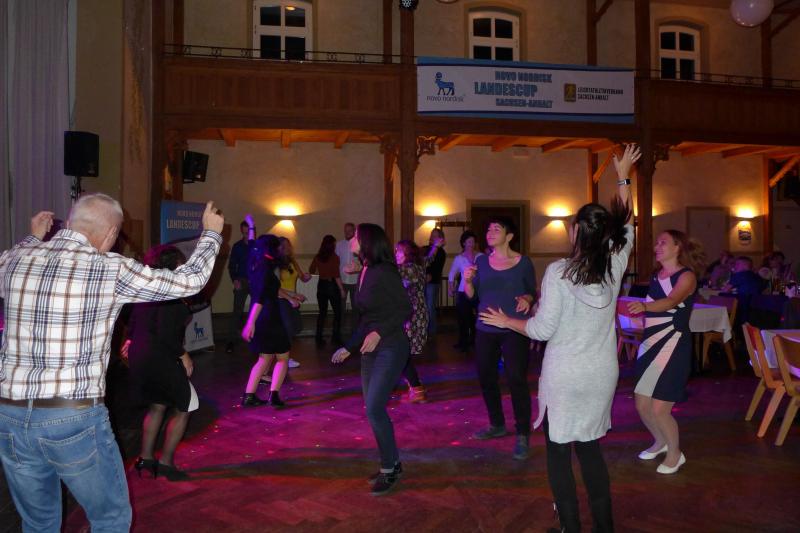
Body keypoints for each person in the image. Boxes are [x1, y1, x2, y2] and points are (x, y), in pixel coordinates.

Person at [0, 194, 224, 532]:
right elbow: (190, 281)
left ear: (70, 223)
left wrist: (33, 237)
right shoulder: (108, 268)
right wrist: (211, 234)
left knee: (37, 522)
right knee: (110, 519)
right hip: (71, 417)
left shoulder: (17, 258)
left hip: (10, 415)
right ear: (111, 234)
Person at [479, 144, 639, 533]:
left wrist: (507, 321)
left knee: (558, 453)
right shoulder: (615, 265)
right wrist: (623, 177)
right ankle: (604, 527)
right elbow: (628, 227)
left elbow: (541, 331)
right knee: (590, 449)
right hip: (601, 375)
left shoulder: (559, 272)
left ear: (575, 232)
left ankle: (570, 526)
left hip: (566, 377)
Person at [331, 223, 411, 496]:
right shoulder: (365, 270)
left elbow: (405, 309)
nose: (351, 239)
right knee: (372, 409)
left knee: (375, 408)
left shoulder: (385, 271)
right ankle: (392, 463)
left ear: (367, 241)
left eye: (355, 236)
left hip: (391, 345)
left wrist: (379, 333)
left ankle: (389, 469)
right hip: (370, 348)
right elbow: (366, 318)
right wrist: (349, 347)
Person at [627, 228, 705, 477]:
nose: (657, 247)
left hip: (673, 345)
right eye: (657, 243)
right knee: (642, 404)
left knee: (660, 408)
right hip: (650, 344)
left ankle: (675, 453)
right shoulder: (656, 275)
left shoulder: (687, 276)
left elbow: (671, 302)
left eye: (663, 243)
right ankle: (660, 441)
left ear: (677, 247)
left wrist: (644, 307)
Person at [463, 216, 537, 460]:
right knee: (486, 377)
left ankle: (522, 433)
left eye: (497, 229)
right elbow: (472, 296)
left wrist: (527, 299)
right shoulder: (481, 261)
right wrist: (467, 281)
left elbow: (531, 292)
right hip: (485, 327)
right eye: (489, 228)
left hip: (513, 328)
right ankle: (497, 424)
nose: (490, 232)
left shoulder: (523, 262)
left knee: (516, 379)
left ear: (509, 236)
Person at [123, 245, 197, 482]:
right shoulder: (170, 293)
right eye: (181, 264)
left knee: (157, 405)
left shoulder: (145, 288)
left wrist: (131, 340)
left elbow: (133, 320)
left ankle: (145, 459)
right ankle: (165, 462)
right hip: (161, 355)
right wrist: (183, 354)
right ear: (174, 265)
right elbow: (166, 333)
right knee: (187, 405)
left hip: (141, 353)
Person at [241, 234, 292, 407]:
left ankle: (249, 395)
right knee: (283, 358)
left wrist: (252, 321)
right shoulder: (266, 271)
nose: (280, 249)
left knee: (264, 358)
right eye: (278, 247)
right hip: (270, 317)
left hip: (262, 317)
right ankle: (274, 395)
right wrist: (250, 323)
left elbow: (267, 293)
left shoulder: (256, 266)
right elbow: (260, 298)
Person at [395, 240, 429, 403]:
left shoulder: (408, 268)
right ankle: (416, 387)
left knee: (401, 352)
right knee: (402, 352)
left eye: (398, 251)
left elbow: (389, 273)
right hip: (414, 314)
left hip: (411, 316)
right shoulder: (414, 268)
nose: (395, 254)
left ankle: (417, 388)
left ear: (407, 253)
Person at [278, 236, 309, 368]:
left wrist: (306, 277)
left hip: (292, 299)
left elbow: (302, 277)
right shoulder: (276, 264)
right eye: (284, 246)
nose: (287, 248)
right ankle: (285, 359)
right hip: (282, 299)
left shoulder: (292, 261)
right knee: (287, 329)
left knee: (295, 327)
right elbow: (275, 287)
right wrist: (292, 296)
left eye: (288, 245)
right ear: (279, 248)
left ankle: (282, 356)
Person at [448, 230, 482, 352]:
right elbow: (452, 273)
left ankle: (475, 341)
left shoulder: (480, 256)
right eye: (468, 242)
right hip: (463, 291)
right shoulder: (459, 258)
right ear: (463, 243)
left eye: (473, 241)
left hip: (478, 291)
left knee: (478, 317)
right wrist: (450, 287)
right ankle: (463, 342)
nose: (471, 244)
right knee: (463, 318)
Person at [310, 235, 345, 348]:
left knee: (322, 313)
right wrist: (341, 289)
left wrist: (322, 271)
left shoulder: (318, 257)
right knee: (337, 313)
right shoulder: (334, 257)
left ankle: (318, 337)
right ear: (332, 245)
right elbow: (336, 275)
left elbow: (311, 270)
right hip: (332, 286)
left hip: (321, 285)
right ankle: (336, 337)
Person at [226, 219, 255, 353]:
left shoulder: (256, 245)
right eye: (244, 233)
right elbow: (232, 265)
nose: (246, 236)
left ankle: (255, 338)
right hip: (242, 280)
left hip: (255, 281)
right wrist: (235, 280)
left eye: (248, 233)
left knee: (256, 310)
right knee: (237, 311)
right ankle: (231, 341)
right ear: (241, 232)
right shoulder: (237, 246)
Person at [722, 256, 765, 326]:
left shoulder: (740, 275)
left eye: (737, 264)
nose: (735, 266)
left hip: (742, 313)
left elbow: (725, 290)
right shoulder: (757, 277)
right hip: (757, 314)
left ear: (745, 266)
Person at [336, 222, 360, 337]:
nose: (347, 233)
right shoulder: (339, 245)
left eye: (349, 231)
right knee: (341, 306)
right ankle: (340, 328)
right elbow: (336, 262)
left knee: (356, 306)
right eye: (345, 231)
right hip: (343, 280)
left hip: (355, 280)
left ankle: (355, 329)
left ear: (354, 231)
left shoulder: (359, 244)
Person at [422, 228, 446, 337]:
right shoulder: (425, 249)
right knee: (423, 307)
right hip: (422, 281)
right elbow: (423, 262)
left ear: (440, 238)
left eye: (435, 235)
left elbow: (436, 268)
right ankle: (424, 330)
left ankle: (431, 331)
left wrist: (430, 275)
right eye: (432, 234)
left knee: (430, 306)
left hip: (433, 282)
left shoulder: (441, 252)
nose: (432, 237)